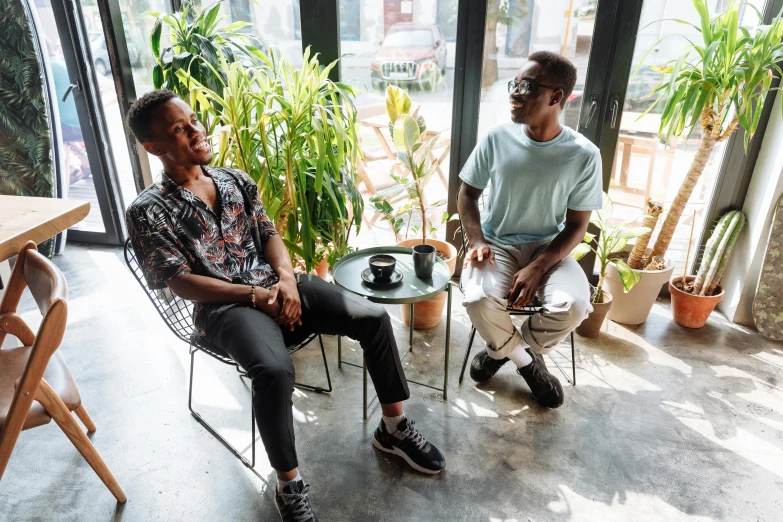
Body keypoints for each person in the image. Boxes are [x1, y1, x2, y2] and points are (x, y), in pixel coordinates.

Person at [124, 90, 445, 522]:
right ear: (154, 147)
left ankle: (393, 429)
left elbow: (268, 234)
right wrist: (255, 296)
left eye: (193, 120)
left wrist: (289, 281)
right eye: (178, 130)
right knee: (274, 372)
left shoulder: (235, 179)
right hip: (224, 309)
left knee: (371, 317)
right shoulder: (148, 209)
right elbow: (180, 282)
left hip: (275, 285)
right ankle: (289, 484)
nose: (196, 131)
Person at [458, 51, 602, 408]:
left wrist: (539, 266)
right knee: (476, 296)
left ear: (557, 97)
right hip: (496, 244)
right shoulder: (496, 139)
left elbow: (577, 225)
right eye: (514, 84)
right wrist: (476, 240)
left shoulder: (584, 154)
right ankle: (527, 363)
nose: (515, 93)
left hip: (548, 249)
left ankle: (497, 354)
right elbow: (467, 195)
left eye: (527, 86)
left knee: (575, 304)